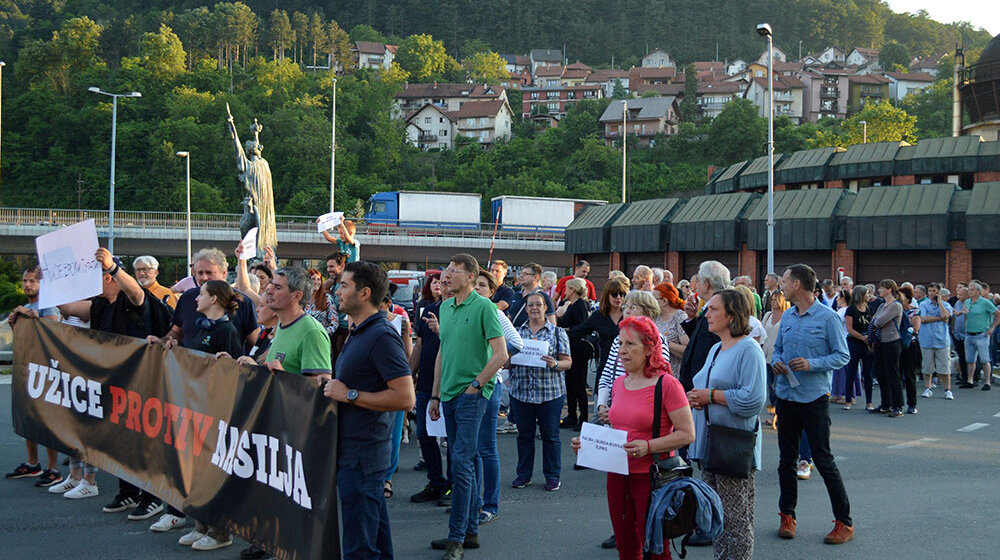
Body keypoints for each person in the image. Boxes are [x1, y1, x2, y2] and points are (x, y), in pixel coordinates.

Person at [571, 316, 695, 560]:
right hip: (617, 477)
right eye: (620, 344)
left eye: (630, 345)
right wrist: (588, 445)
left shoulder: (667, 384)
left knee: (658, 549)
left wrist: (648, 446)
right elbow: (621, 430)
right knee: (626, 547)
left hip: (652, 478)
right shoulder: (619, 384)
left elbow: (687, 433)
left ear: (649, 348)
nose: (622, 351)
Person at [55, 249, 166, 519]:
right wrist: (54, 281)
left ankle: (153, 497)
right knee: (121, 442)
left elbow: (137, 293)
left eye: (99, 276)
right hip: (115, 383)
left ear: (109, 279)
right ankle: (128, 492)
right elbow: (68, 308)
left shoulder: (132, 299)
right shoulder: (100, 304)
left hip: (143, 382)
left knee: (144, 443)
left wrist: (113, 267)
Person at [235, 266, 333, 559]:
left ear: (297, 296)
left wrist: (282, 377)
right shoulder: (281, 327)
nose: (268, 291)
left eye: (277, 287)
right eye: (271, 286)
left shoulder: (311, 331)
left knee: (294, 496)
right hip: (276, 424)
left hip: (298, 431)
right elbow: (276, 363)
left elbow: (320, 387)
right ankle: (270, 540)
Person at [322, 261, 414, 559]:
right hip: (354, 451)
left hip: (364, 455)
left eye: (344, 286)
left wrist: (348, 394)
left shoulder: (381, 337)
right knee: (373, 538)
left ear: (364, 293)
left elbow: (405, 398)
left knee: (359, 547)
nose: (337, 291)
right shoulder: (359, 331)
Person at [145, 280, 245, 545]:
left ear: (214, 299)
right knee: (197, 471)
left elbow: (237, 372)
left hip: (215, 409)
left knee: (213, 472)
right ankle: (201, 524)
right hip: (196, 406)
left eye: (201, 294)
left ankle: (220, 531)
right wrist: (169, 345)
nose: (195, 298)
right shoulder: (201, 327)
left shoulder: (227, 330)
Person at [428, 254, 508, 560]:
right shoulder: (445, 307)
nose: (446, 275)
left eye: (453, 271)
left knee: (461, 463)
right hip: (447, 396)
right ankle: (470, 530)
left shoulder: (485, 307)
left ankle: (457, 536)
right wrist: (435, 395)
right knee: (463, 462)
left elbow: (500, 354)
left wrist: (476, 385)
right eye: (446, 269)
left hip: (471, 397)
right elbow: (442, 354)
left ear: (470, 277)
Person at [771, 264, 853, 545]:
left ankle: (844, 522)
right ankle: (787, 515)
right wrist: (776, 362)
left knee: (823, 458)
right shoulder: (789, 316)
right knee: (786, 459)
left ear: (797, 284)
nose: (780, 285)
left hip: (814, 397)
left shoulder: (827, 317)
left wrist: (812, 364)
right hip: (786, 395)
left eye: (783, 281)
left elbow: (842, 355)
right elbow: (778, 349)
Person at [687, 289, 767, 560]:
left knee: (736, 517)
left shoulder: (749, 349)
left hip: (732, 444)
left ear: (732, 315)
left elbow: (753, 400)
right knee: (717, 515)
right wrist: (697, 398)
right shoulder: (716, 347)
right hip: (710, 442)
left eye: (713, 309)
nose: (705, 313)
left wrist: (710, 396)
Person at [471, 269, 523, 524]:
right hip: (463, 388)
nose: (478, 288)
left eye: (483, 285)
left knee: (485, 449)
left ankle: (489, 504)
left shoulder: (495, 313)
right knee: (467, 450)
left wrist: (495, 360)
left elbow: (517, 343)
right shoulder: (464, 311)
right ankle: (471, 501)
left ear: (492, 292)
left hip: (490, 387)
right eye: (475, 284)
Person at [5, 266, 63, 487]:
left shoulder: (48, 305)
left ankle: (53, 468)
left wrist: (30, 315)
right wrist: (14, 322)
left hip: (46, 369)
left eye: (32, 281)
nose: (27, 284)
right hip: (27, 367)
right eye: (25, 281)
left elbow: (53, 330)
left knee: (46, 419)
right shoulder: (27, 306)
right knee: (28, 416)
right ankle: (32, 463)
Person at [509, 292, 571, 491]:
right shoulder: (516, 332)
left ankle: (552, 476)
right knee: (524, 436)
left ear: (546, 307)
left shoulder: (557, 332)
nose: (534, 308)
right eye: (530, 305)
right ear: (526, 308)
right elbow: (508, 360)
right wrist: (507, 362)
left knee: (550, 436)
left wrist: (555, 364)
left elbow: (567, 363)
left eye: (539, 304)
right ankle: (523, 475)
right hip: (522, 392)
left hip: (550, 393)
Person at [409, 270, 452, 506]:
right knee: (425, 434)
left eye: (448, 282)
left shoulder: (460, 312)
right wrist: (409, 374)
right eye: (441, 282)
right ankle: (436, 482)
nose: (444, 286)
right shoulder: (429, 311)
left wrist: (441, 330)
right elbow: (420, 346)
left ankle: (454, 486)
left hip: (452, 385)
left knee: (453, 439)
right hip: (425, 383)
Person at [164, 248, 260, 352]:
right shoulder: (187, 297)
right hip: (189, 366)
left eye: (209, 273)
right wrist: (164, 341)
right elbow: (176, 332)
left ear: (224, 273)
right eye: (200, 273)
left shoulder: (242, 301)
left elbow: (255, 342)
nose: (204, 277)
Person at [596, 291, 673, 415]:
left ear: (649, 312)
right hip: (613, 408)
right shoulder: (618, 340)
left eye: (633, 307)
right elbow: (607, 374)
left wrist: (623, 411)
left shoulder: (657, 339)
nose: (626, 311)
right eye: (625, 306)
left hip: (638, 412)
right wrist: (602, 404)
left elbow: (658, 377)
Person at [381, 289, 413, 499]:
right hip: (369, 383)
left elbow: (408, 353)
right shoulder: (357, 318)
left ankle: (387, 478)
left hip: (393, 382)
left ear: (388, 303)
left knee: (393, 432)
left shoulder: (401, 321)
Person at [679, 261, 729, 391]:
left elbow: (718, 345)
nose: (696, 286)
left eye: (699, 281)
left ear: (706, 284)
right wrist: (691, 318)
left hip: (704, 386)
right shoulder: (709, 308)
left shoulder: (719, 311)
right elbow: (701, 339)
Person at [557, 278, 592, 429]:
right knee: (569, 384)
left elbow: (583, 326)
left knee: (578, 384)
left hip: (578, 349)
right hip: (569, 348)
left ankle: (583, 418)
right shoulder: (571, 305)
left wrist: (566, 330)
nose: (565, 292)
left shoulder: (580, 305)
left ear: (573, 290)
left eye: (567, 289)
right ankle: (571, 415)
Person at [870, 280, 905, 416]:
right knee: (881, 374)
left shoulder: (895, 306)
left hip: (892, 342)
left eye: (882, 288)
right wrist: (876, 320)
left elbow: (878, 322)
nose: (879, 290)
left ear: (889, 289)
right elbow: (874, 320)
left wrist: (877, 320)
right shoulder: (882, 305)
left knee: (892, 374)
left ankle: (898, 405)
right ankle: (886, 404)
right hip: (880, 342)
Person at [958, 281, 1000, 390]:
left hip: (982, 334)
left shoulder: (985, 302)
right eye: (969, 290)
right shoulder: (967, 301)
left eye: (972, 290)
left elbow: (998, 314)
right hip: (969, 334)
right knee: (970, 359)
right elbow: (966, 315)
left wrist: (992, 328)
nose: (970, 292)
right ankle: (970, 380)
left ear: (978, 291)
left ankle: (987, 382)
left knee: (984, 359)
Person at [919, 283, 954, 400]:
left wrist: (939, 303)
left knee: (944, 366)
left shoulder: (946, 305)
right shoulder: (923, 305)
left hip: (942, 339)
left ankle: (947, 390)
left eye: (934, 291)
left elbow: (946, 316)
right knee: (927, 366)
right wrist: (939, 318)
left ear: (939, 293)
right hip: (926, 339)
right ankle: (927, 388)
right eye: (929, 291)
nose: (931, 293)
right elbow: (923, 319)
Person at [843, 286, 875, 411]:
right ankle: (848, 400)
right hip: (854, 342)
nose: (868, 295)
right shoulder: (851, 309)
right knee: (851, 371)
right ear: (860, 294)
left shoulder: (868, 308)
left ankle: (869, 402)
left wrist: (869, 338)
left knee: (868, 373)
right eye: (866, 293)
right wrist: (862, 337)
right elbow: (849, 329)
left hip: (867, 343)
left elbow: (872, 324)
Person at [761, 290, 790, 427]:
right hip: (766, 356)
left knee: (778, 387)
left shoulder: (787, 316)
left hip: (778, 357)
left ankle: (779, 416)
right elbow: (761, 333)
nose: (773, 302)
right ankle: (773, 414)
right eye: (771, 299)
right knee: (769, 387)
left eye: (775, 299)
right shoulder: (767, 315)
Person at [655, 283, 689, 376]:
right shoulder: (655, 317)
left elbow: (688, 350)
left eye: (654, 299)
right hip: (656, 373)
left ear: (664, 301)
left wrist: (664, 342)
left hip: (674, 373)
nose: (651, 302)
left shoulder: (680, 317)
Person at [897, 286, 922, 414]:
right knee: (896, 375)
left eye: (900, 296)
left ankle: (912, 404)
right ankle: (897, 403)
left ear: (907, 298)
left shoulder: (915, 311)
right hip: (896, 345)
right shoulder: (894, 309)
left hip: (909, 345)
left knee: (909, 375)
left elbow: (915, 328)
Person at [508, 262, 557, 327]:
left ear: (536, 277)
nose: (521, 276)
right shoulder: (516, 295)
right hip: (513, 335)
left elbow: (552, 323)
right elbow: (510, 316)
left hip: (531, 335)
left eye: (526, 274)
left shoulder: (543, 297)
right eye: (521, 273)